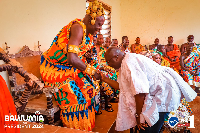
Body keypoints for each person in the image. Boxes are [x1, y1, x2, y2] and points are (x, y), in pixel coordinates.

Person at [97, 46, 197, 133]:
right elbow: (121, 86)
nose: (108, 64)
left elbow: (140, 93)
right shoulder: (126, 61)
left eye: (108, 61)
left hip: (163, 96)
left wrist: (138, 115)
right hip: (159, 95)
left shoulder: (129, 63)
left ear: (116, 57)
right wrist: (104, 78)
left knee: (148, 128)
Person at [40, 0, 105, 131]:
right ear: (91, 20)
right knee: (77, 98)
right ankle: (75, 129)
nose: (100, 28)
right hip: (53, 69)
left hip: (69, 68)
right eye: (99, 24)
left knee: (90, 88)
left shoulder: (88, 34)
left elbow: (80, 55)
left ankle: (87, 126)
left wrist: (93, 67)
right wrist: (92, 71)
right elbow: (72, 58)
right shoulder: (78, 28)